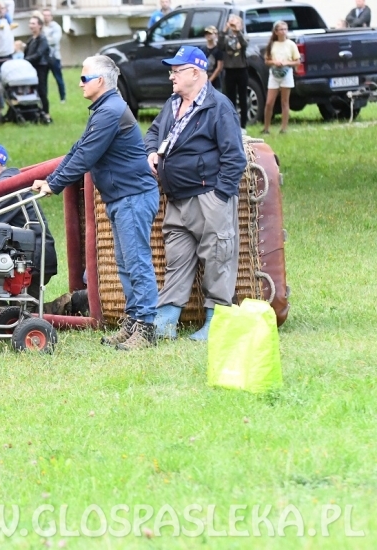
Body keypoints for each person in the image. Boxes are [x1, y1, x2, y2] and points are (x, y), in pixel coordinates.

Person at [32, 55, 160, 351]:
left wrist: (54, 184)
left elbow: (86, 156)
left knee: (137, 263)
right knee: (126, 266)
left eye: (84, 78)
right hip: (122, 198)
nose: (79, 84)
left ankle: (146, 328)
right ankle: (133, 322)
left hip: (133, 198)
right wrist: (51, 178)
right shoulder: (105, 109)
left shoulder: (110, 111)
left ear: (100, 81)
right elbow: (78, 149)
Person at [144, 46, 246, 341]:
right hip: (177, 197)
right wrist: (151, 152)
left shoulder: (218, 106)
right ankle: (166, 320)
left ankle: (217, 322)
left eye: (176, 71)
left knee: (217, 257)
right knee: (177, 257)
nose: (171, 76)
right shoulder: (172, 103)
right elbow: (153, 133)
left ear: (195, 73)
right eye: (171, 71)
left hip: (208, 196)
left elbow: (235, 157)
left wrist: (219, 197)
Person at [0, 140, 58, 299]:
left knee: (22, 311)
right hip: (23, 258)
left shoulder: (6, 186)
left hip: (31, 262)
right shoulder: (3, 184)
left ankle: (65, 306)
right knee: (18, 309)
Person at [262, 21, 301, 134]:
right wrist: (274, 62)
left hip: (286, 73)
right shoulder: (272, 45)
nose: (283, 32)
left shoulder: (291, 44)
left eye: (285, 29)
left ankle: (284, 128)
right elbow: (267, 60)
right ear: (276, 32)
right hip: (274, 73)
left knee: (285, 101)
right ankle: (266, 128)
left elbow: (297, 61)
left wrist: (286, 63)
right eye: (281, 29)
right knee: (269, 102)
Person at [219, 14, 249, 129]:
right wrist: (224, 31)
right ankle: (232, 123)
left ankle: (243, 125)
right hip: (229, 70)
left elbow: (244, 45)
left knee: (242, 97)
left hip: (241, 69)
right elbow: (220, 46)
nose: (234, 25)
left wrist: (238, 32)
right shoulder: (227, 38)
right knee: (230, 98)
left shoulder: (243, 36)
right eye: (232, 22)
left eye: (236, 23)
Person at [25, 15, 53, 124]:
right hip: (31, 68)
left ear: (40, 26)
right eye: (30, 23)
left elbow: (39, 54)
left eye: (33, 23)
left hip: (41, 67)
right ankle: (35, 113)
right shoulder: (31, 39)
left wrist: (26, 60)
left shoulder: (43, 39)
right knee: (33, 91)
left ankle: (46, 114)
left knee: (42, 90)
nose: (31, 26)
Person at [42, 9, 66, 103]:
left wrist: (43, 41)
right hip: (43, 58)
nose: (46, 17)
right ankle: (44, 98)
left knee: (58, 78)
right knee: (43, 80)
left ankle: (62, 98)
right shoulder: (41, 27)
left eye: (48, 15)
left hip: (54, 57)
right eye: (44, 15)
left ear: (51, 17)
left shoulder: (56, 27)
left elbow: (54, 41)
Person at [200, 25, 224, 90]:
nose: (208, 35)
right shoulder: (202, 49)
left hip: (216, 82)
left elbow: (219, 68)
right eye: (206, 34)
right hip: (204, 80)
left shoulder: (218, 49)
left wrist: (209, 80)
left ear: (216, 35)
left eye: (210, 33)